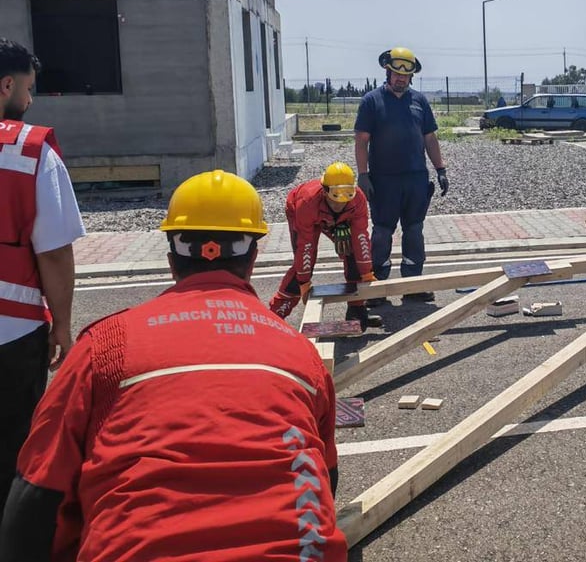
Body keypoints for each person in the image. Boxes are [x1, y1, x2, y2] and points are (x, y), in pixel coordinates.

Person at [0, 170, 346, 562]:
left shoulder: (107, 345)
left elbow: (36, 494)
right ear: (252, 260)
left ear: (171, 261)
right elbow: (325, 480)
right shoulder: (301, 355)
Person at [0, 38, 85, 509]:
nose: (29, 101)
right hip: (11, 333)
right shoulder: (27, 150)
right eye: (28, 89)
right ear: (8, 85)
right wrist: (63, 325)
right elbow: (53, 252)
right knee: (15, 449)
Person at [354, 47, 448, 303]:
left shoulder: (419, 102)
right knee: (383, 232)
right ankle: (376, 289)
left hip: (416, 179)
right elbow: (362, 140)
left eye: (405, 76)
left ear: (411, 77)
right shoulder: (372, 101)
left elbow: (429, 138)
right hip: (384, 180)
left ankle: (412, 284)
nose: (400, 79)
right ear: (388, 72)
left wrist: (440, 169)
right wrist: (363, 175)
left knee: (414, 231)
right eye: (396, 74)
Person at [268, 161, 377, 329]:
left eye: (346, 197)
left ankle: (357, 310)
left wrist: (367, 274)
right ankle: (275, 315)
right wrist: (304, 282)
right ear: (325, 190)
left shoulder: (358, 199)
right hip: (302, 212)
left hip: (337, 220)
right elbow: (306, 247)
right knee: (303, 264)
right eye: (335, 199)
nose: (340, 205)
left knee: (353, 254)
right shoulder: (307, 202)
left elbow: (361, 237)